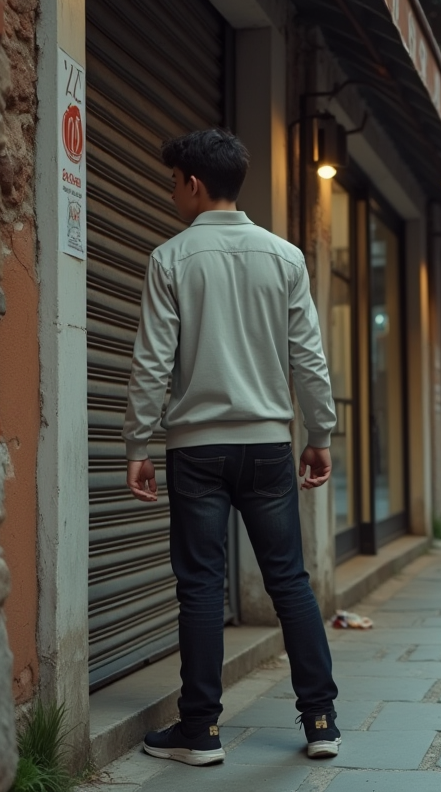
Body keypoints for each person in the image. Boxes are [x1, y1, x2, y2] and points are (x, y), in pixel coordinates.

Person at [122, 129, 340, 766]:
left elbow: (152, 362)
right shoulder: (286, 258)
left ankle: (201, 732)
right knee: (290, 582)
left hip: (197, 449)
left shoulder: (170, 258)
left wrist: (137, 442)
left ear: (194, 184)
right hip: (269, 445)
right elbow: (309, 359)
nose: (171, 195)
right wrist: (319, 435)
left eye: (173, 184)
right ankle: (321, 720)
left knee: (200, 586)